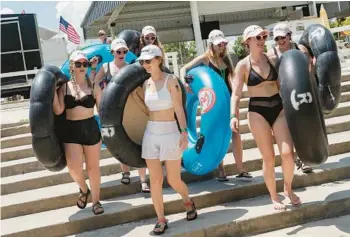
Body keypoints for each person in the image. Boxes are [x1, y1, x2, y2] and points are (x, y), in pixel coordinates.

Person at [230, 25, 301, 210]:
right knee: (268, 157)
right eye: (257, 37)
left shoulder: (271, 59)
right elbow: (236, 94)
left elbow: (283, 84)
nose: (262, 40)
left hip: (278, 107)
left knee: (287, 154)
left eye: (263, 36)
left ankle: (288, 188)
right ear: (248, 42)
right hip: (257, 111)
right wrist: (233, 115)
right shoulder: (243, 65)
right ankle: (273, 196)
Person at [138, 45, 198, 234]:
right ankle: (161, 219)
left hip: (170, 132)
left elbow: (179, 109)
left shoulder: (171, 80)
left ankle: (188, 201)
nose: (145, 64)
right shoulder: (145, 84)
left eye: (148, 61)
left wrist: (183, 132)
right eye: (142, 62)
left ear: (158, 60)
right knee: (155, 180)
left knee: (173, 179)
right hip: (151, 133)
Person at [180, 30, 252, 182]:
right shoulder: (206, 59)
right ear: (212, 44)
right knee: (215, 133)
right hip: (215, 103)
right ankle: (221, 169)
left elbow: (230, 79)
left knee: (236, 133)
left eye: (224, 43)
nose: (222, 46)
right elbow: (183, 69)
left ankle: (241, 168)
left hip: (228, 100)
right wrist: (184, 82)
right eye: (219, 44)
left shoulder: (226, 60)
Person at [94, 38, 150, 193]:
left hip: (132, 111)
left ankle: (143, 180)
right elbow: (96, 85)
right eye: (118, 51)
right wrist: (101, 104)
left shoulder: (131, 67)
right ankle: (125, 171)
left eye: (124, 51)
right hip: (114, 113)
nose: (122, 54)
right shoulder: (106, 68)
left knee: (138, 141)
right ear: (112, 52)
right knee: (119, 141)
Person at [53, 51, 104, 215]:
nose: (82, 67)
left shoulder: (94, 86)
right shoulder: (64, 88)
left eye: (85, 64)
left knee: (93, 168)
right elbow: (59, 109)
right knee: (74, 168)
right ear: (72, 66)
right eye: (78, 64)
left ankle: (96, 201)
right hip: (71, 130)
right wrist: (53, 92)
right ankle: (84, 189)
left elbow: (102, 111)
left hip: (90, 128)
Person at [267, 22, 313, 174]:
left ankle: (304, 157)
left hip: (303, 95)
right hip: (284, 96)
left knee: (304, 126)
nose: (280, 41)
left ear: (289, 36)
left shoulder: (301, 49)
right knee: (290, 129)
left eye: (283, 37)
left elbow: (310, 68)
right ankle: (300, 158)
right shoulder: (273, 54)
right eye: (277, 38)